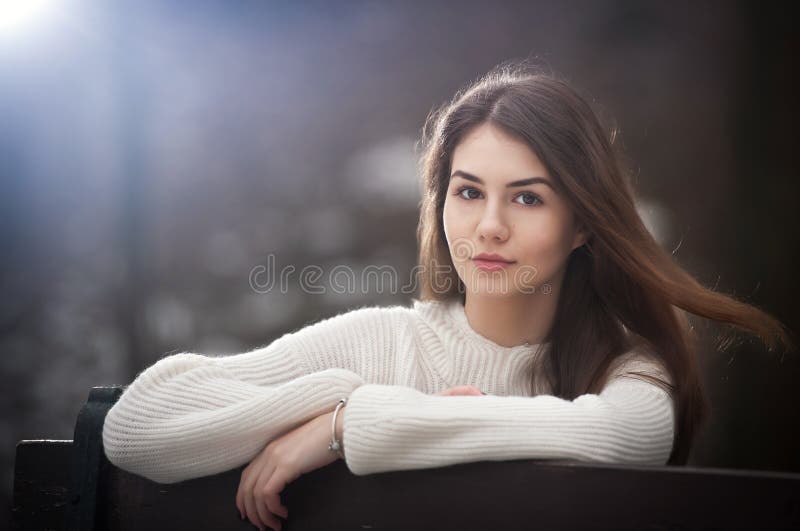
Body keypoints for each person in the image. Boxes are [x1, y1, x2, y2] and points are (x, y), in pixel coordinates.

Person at [101, 61, 792, 531]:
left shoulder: (625, 368)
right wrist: (337, 399)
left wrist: (352, 427)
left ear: (582, 222)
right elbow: (135, 425)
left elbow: (621, 435)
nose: (488, 226)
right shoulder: (380, 344)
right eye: (468, 191)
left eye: (526, 197)